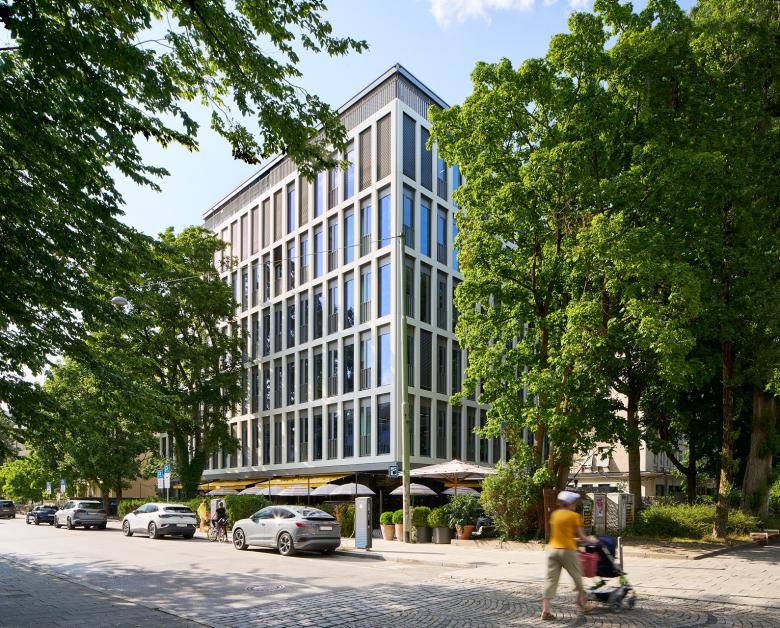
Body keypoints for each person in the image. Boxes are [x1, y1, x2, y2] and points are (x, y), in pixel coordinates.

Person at [540, 490, 597, 620]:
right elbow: (582, 537)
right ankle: (583, 605)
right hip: (567, 551)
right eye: (574, 503)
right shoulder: (574, 516)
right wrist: (593, 541)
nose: (575, 505)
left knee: (550, 580)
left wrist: (572, 539)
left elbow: (559, 534)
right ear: (570, 503)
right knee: (577, 578)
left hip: (552, 550)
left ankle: (546, 611)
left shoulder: (555, 514)